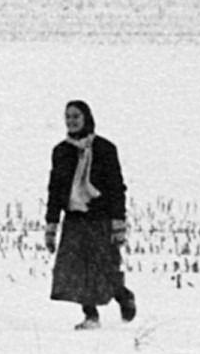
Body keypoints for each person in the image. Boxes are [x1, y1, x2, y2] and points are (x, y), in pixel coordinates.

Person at [45, 100, 135, 330]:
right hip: (75, 218)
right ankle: (90, 315)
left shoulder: (104, 149)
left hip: (99, 218)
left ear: (86, 118)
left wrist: (118, 221)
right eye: (68, 117)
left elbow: (116, 187)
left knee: (103, 266)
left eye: (76, 116)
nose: (71, 121)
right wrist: (51, 224)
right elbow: (55, 189)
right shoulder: (61, 152)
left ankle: (122, 295)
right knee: (76, 269)